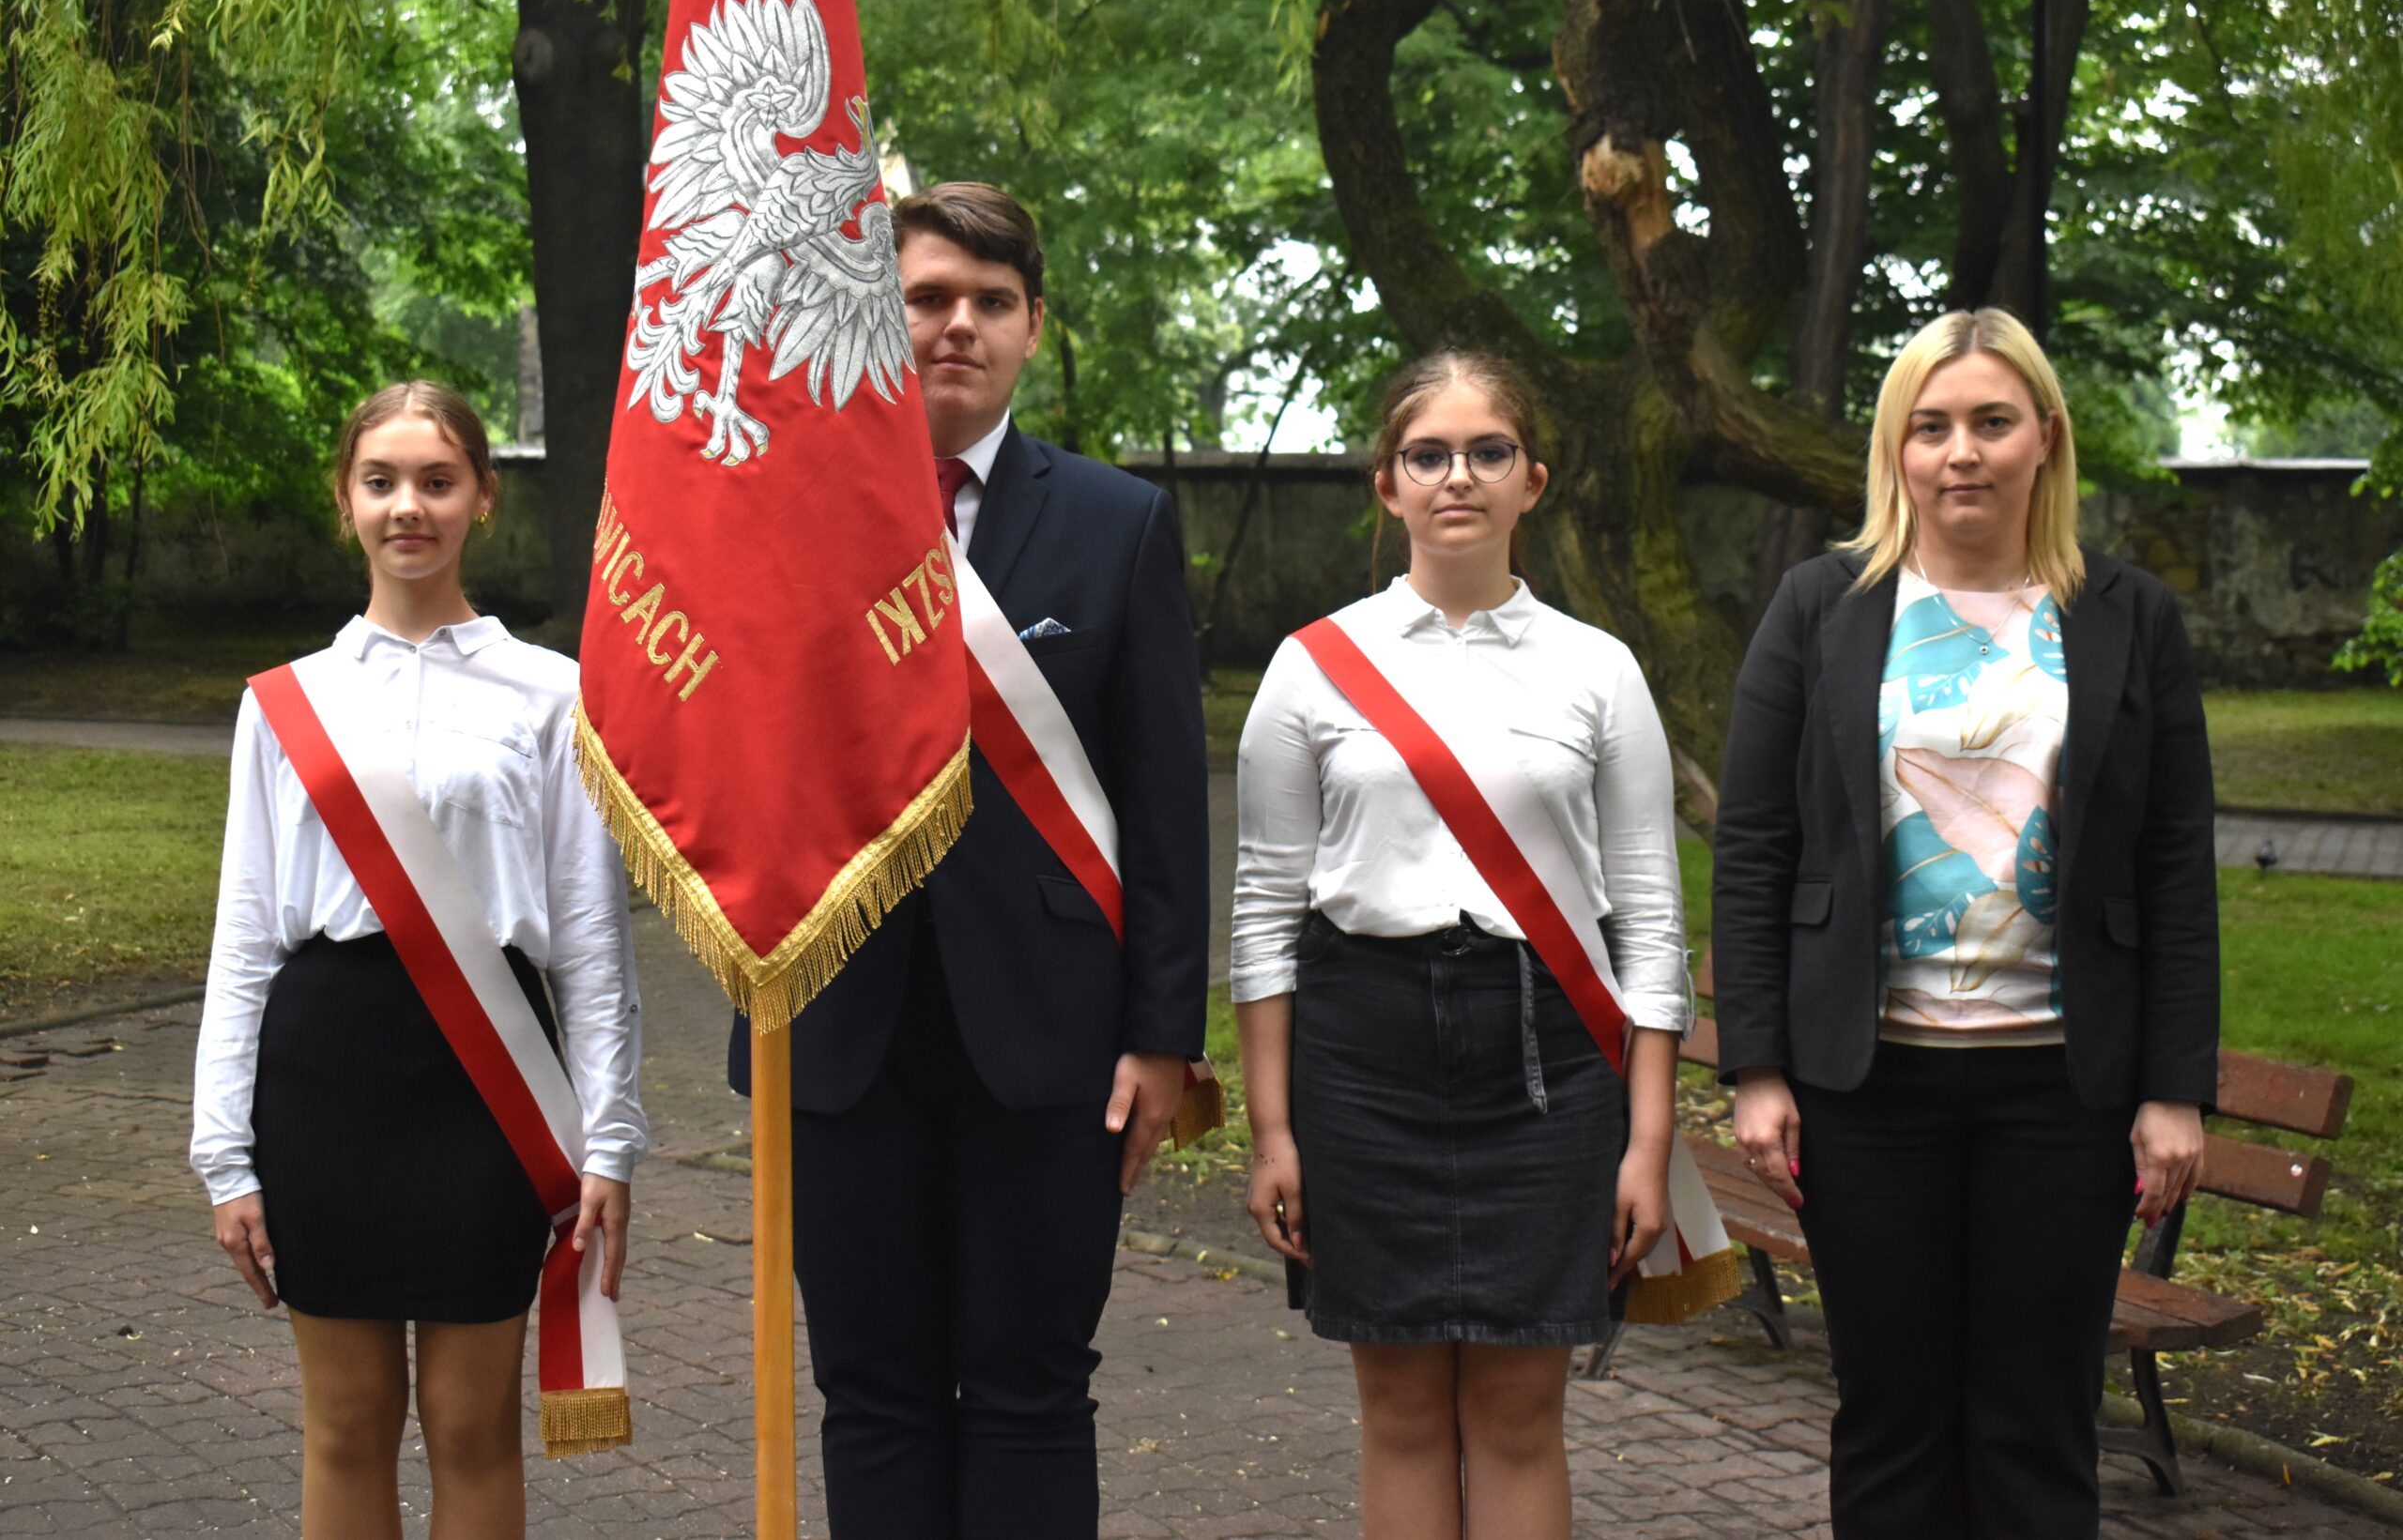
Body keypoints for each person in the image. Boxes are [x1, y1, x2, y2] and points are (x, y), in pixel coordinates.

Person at [728, 181, 1209, 1536]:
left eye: (991, 302)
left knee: (1032, 1388)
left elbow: (1166, 804)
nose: (958, 326)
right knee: (871, 1392)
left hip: (1054, 1034)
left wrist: (1162, 1035)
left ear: (1033, 327)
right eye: (927, 298)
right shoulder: (784, 515)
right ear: (879, 318)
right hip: (833, 1022)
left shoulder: (1118, 521)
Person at [1711, 308, 2217, 1538]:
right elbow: (1757, 843)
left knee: (2036, 1423)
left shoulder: (2129, 616)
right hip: (1867, 1087)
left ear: (2045, 436)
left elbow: (2173, 863)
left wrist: (2173, 1088)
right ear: (1897, 448)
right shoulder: (1823, 604)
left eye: (1992, 422)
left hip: (2064, 1090)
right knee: (1891, 1416)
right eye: (1929, 426)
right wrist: (1757, 1066)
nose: (1961, 452)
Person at [1229, 351, 1690, 1540]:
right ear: (1387, 485)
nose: (1457, 477)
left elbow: (1649, 923)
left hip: (1548, 1062)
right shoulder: (1310, 667)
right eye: (1426, 455)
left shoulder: (1598, 669)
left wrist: (1647, 1142)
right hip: (1361, 1057)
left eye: (1488, 452)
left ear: (1532, 479)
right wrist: (1273, 1132)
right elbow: (1265, 914)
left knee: (1519, 1409)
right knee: (1397, 1410)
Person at [190, 381, 648, 1540]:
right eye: (382, 481)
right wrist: (223, 1156)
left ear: (482, 498)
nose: (409, 507)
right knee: (346, 1423)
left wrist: (609, 1138)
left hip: (488, 1081)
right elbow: (244, 936)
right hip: (323, 1074)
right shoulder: (283, 703)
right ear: (345, 499)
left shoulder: (553, 692)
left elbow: (590, 937)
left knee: (471, 1422)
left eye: (437, 482)